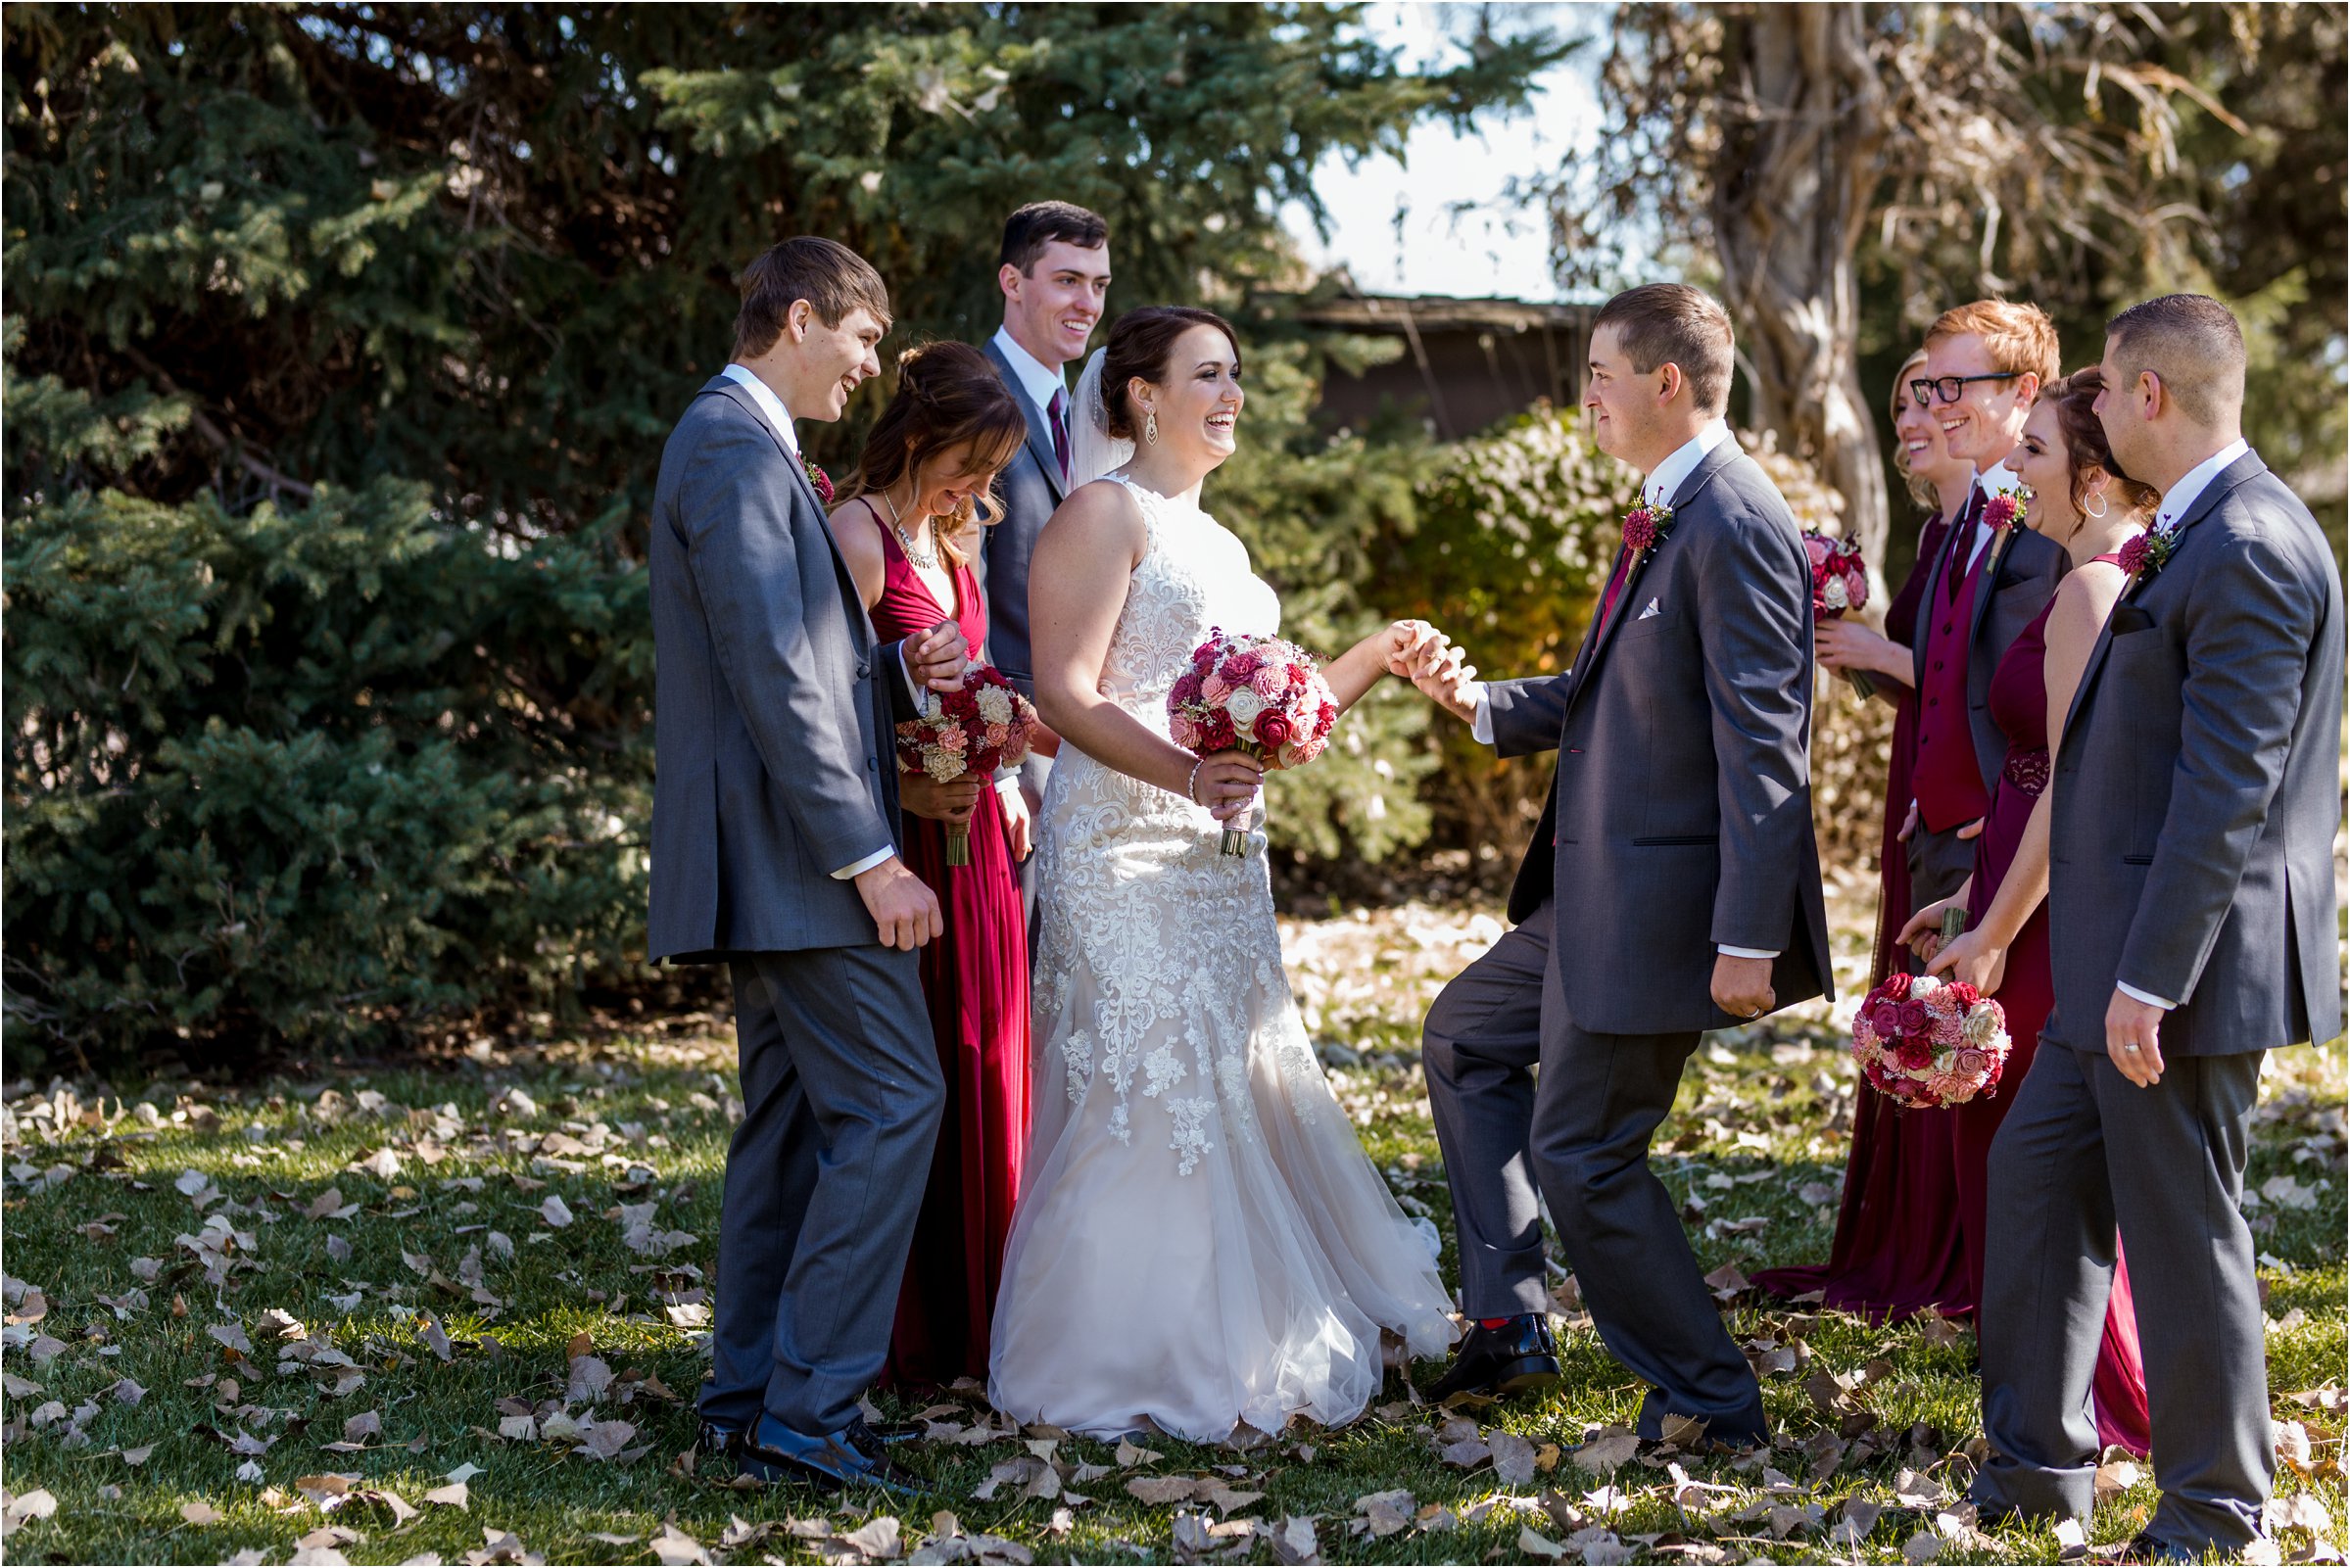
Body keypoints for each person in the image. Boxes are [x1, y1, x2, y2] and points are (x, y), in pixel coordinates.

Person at [987, 306, 1461, 1443]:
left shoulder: (1228, 550)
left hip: (1220, 865)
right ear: (1141, 395)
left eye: (1235, 373)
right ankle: (1122, 1351)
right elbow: (1062, 689)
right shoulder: (1104, 514)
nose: (1231, 391)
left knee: (1233, 1074)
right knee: (1148, 1084)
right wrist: (1185, 778)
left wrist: (1375, 656)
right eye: (1208, 374)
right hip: (1117, 850)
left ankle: (1252, 1333)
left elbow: (1273, 721)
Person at [1409, 284, 1831, 1441]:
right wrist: (1479, 702)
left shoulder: (1735, 519)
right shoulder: (1671, 511)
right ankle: (1509, 1324)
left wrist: (1749, 932)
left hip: (1665, 909)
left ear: (1665, 381)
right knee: (1463, 1036)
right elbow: (1627, 698)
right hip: (1589, 893)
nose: (1583, 393)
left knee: (1584, 1151)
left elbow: (1763, 739)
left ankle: (1708, 1397)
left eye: (1599, 372)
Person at [1970, 295, 2343, 1560]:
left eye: (2103, 390)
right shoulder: (2191, 534)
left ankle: (2210, 1505)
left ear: (2145, 398)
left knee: (2184, 1232)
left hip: (2174, 971)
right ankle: (2034, 1466)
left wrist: (2148, 976)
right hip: (2105, 963)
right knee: (2031, 1187)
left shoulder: (2250, 545)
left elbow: (2224, 789)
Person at [647, 238, 968, 1494]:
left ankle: (746, 1397)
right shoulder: (732, 442)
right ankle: (809, 1412)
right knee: (896, 1102)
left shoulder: (746, 440)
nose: (872, 362)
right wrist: (871, 857)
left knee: (789, 1128)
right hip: (800, 855)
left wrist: (896, 670)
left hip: (775, 849)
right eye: (863, 336)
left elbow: (791, 656)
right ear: (797, 317)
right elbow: (771, 673)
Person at [1896, 368, 2155, 1457]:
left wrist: (1996, 931)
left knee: (2030, 1170)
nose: (2015, 472)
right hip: (2011, 887)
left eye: (2035, 453)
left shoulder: (2090, 591)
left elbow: (2071, 784)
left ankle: (2083, 1406)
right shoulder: (2088, 574)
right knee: (2015, 1166)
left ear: (2093, 478)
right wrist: (1970, 891)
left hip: (2044, 924)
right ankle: (2040, 1401)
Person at [831, 342, 1035, 1389]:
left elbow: (988, 685)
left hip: (983, 847)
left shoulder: (955, 541)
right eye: (970, 461)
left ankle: (988, 1322)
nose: (979, 489)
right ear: (918, 437)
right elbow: (818, 700)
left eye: (993, 470)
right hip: (908, 848)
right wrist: (903, 789)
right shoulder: (858, 534)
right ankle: (916, 1333)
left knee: (995, 1062)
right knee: (934, 1068)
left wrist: (1043, 754)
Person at [1755, 350, 1976, 1317]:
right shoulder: (1934, 538)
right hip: (1920, 804)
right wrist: (1864, 653)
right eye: (1902, 403)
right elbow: (1923, 676)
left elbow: (2007, 688)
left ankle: (1965, 1255)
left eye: (1934, 397)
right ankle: (1916, 1238)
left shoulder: (2017, 532)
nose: (1910, 417)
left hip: (1980, 816)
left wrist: (1882, 649)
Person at [1903, 303, 2070, 945]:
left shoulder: (2058, 515)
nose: (1936, 404)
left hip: (2013, 850)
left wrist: (2015, 802)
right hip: (1937, 843)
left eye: (1954, 386)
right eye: (1928, 387)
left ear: (2023, 390)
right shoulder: (1965, 511)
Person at [978, 201, 1113, 863]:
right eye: (1067, 280)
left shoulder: (1095, 412)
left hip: (1093, 754)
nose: (1087, 302)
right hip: (1008, 759)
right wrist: (999, 763)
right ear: (1012, 282)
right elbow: (947, 594)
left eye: (1098, 284)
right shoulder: (968, 399)